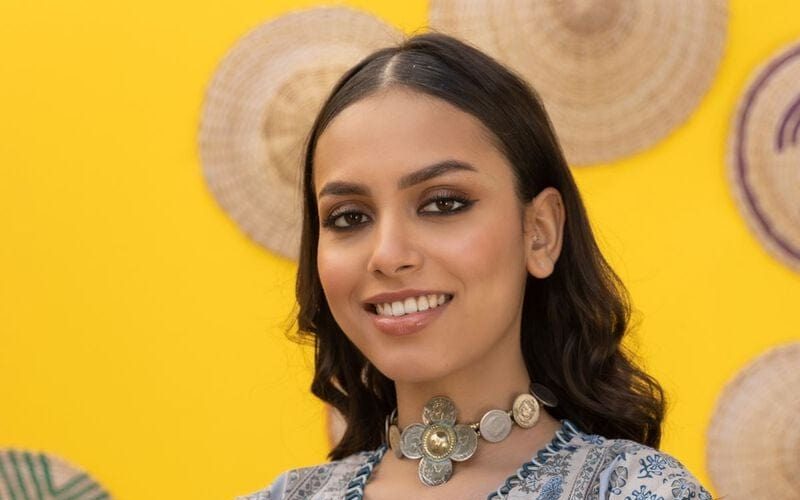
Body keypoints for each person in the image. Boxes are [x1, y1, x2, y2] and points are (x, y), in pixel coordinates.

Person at [240, 33, 713, 500]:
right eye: (350, 217)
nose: (387, 254)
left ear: (540, 232)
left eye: (444, 203)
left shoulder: (635, 489)